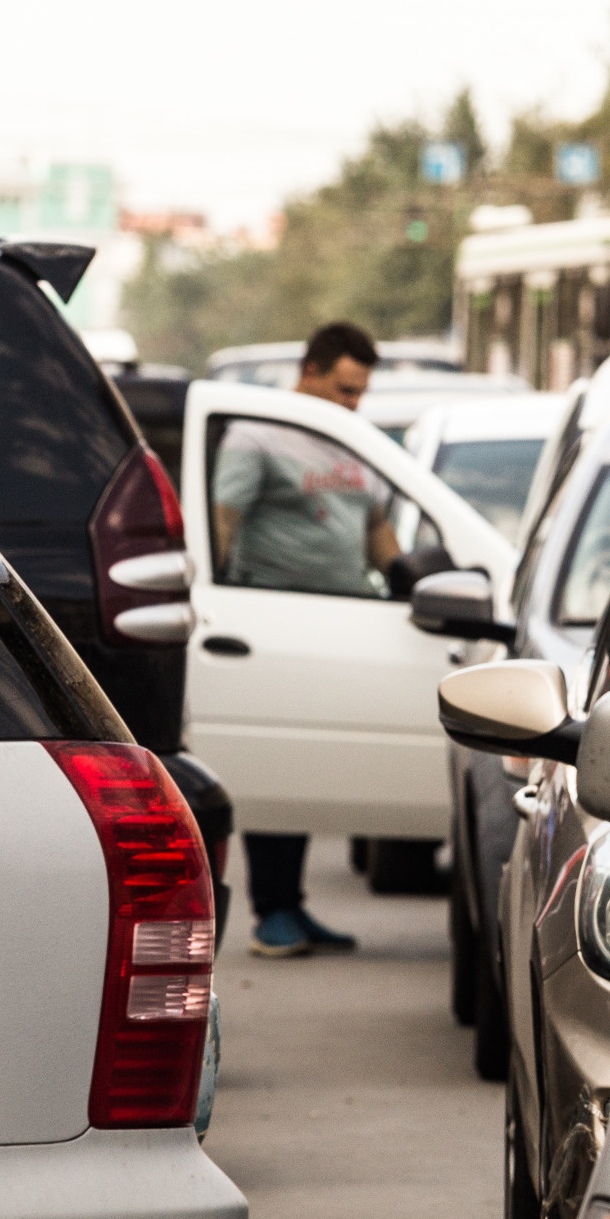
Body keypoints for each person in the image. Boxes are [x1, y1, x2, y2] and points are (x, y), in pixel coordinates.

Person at [211, 321, 384, 957]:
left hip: (343, 622)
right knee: (281, 770)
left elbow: (377, 527)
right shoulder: (255, 435)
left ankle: (294, 906)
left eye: (361, 392)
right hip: (274, 623)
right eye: (343, 389)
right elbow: (223, 523)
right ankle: (272, 912)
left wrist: (410, 579)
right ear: (308, 372)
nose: (353, 404)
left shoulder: (350, 440)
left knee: (314, 769)